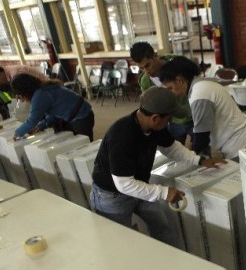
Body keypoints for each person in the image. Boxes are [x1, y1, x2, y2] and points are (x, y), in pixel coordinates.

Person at [90, 86, 225, 247]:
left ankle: (169, 261)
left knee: (162, 228)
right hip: (111, 196)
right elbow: (124, 184)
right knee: (121, 242)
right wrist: (163, 192)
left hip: (140, 185)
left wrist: (199, 161)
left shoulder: (154, 126)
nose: (170, 122)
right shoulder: (122, 135)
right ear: (155, 118)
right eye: (169, 119)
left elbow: (171, 148)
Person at [159, 56, 246, 160]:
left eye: (170, 88)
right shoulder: (203, 84)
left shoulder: (199, 94)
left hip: (241, 144)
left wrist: (188, 158)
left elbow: (201, 138)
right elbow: (201, 123)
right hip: (241, 139)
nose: (171, 93)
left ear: (180, 81)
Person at [130, 41, 193, 145]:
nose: (146, 71)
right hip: (173, 120)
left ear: (155, 56)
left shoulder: (178, 64)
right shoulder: (145, 81)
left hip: (193, 115)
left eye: (147, 65)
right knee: (176, 152)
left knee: (201, 150)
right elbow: (151, 106)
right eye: (141, 68)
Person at [10, 73, 94, 141]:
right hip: (82, 113)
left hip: (81, 116)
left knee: (83, 145)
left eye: (19, 95)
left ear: (24, 90)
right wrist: (41, 125)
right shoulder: (43, 88)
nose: (21, 99)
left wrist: (17, 133)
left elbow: (32, 120)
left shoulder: (40, 95)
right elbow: (55, 112)